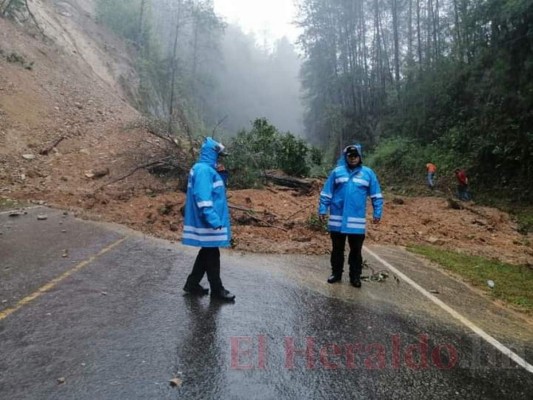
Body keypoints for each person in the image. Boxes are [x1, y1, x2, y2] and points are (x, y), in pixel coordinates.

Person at [318, 144, 383, 288]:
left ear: (360, 157)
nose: (353, 159)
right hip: (337, 219)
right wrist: (323, 209)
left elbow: (376, 195)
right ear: (346, 157)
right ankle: (336, 273)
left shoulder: (368, 173)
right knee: (337, 249)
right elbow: (326, 193)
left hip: (356, 221)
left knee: (356, 251)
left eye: (355, 156)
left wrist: (377, 212)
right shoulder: (337, 172)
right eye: (350, 156)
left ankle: (355, 276)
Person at [182, 137, 235, 302]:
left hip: (209, 221)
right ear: (212, 154)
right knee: (211, 253)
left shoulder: (207, 169)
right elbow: (203, 197)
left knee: (207, 252)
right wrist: (213, 219)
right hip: (207, 222)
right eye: (218, 156)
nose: (219, 159)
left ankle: (192, 284)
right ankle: (217, 290)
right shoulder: (203, 170)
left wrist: (221, 173)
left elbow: (217, 191)